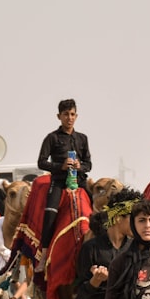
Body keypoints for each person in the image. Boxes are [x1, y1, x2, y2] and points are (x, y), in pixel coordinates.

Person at [37, 98, 92, 252]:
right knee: (50, 212)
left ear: (77, 116)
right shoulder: (52, 138)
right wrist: (60, 166)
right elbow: (41, 162)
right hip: (59, 182)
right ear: (59, 116)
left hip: (79, 181)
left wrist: (80, 166)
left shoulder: (82, 138)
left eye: (72, 114)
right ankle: (45, 252)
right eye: (66, 114)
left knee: (97, 209)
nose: (70, 118)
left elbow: (89, 164)